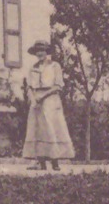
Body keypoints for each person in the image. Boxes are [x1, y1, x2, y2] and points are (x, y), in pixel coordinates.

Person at [22, 41, 76, 170]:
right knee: (37, 130)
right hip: (36, 101)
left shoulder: (55, 66)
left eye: (42, 50)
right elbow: (29, 86)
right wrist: (32, 98)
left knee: (51, 128)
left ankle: (55, 162)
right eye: (37, 51)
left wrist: (43, 96)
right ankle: (41, 163)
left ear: (47, 52)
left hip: (51, 100)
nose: (40, 53)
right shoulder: (33, 68)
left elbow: (58, 86)